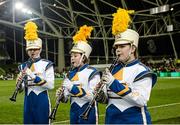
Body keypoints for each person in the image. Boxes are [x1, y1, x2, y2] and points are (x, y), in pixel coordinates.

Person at [99, 8, 157, 124]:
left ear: (132, 48)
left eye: (122, 46)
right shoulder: (113, 69)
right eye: (116, 47)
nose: (118, 50)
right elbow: (109, 99)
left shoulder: (143, 71)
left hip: (134, 121)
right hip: (111, 120)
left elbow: (141, 100)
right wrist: (100, 94)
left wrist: (113, 83)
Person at [56, 25, 101, 124]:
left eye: (75, 56)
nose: (72, 58)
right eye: (71, 56)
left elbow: (92, 96)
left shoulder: (93, 72)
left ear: (84, 57)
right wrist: (62, 96)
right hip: (73, 111)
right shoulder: (71, 74)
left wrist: (72, 88)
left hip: (88, 112)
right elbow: (67, 97)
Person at [17, 21, 54, 124]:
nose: (32, 52)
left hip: (42, 101)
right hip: (28, 101)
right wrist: (19, 84)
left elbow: (50, 85)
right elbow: (22, 88)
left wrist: (33, 76)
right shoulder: (23, 66)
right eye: (30, 49)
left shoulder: (47, 64)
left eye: (35, 49)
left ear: (40, 49)